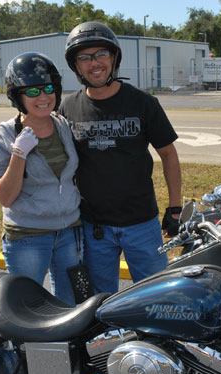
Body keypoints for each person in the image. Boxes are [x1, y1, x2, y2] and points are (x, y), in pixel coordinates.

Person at [59, 21, 182, 295]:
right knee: (101, 303)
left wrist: (175, 208)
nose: (94, 63)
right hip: (94, 227)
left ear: (114, 57)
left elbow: (168, 154)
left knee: (156, 297)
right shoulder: (67, 107)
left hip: (142, 224)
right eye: (84, 57)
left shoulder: (143, 103)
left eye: (101, 54)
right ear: (76, 66)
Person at [0, 52, 82, 306]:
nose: (43, 97)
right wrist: (19, 154)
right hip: (28, 236)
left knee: (69, 306)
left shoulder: (62, 125)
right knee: (26, 308)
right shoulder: (3, 136)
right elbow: (5, 197)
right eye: (32, 91)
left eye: (48, 88)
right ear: (17, 96)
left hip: (69, 232)